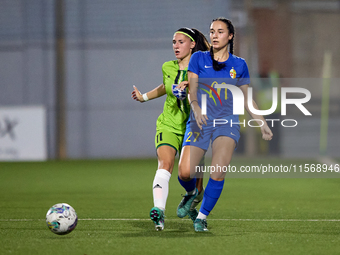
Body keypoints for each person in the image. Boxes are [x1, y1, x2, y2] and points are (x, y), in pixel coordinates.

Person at [176, 18, 273, 232]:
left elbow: (247, 99)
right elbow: (192, 91)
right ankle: (193, 193)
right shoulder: (198, 59)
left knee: (218, 170)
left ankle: (201, 217)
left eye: (220, 31)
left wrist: (262, 123)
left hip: (226, 122)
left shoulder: (239, 65)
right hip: (199, 120)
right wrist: (196, 108)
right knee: (184, 172)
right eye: (212, 31)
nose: (214, 35)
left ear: (230, 36)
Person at [131, 27, 210, 231]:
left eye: (180, 42)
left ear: (192, 44)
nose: (175, 46)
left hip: (194, 125)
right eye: (173, 42)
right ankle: (159, 212)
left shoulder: (203, 67)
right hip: (169, 123)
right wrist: (144, 97)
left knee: (187, 175)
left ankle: (193, 194)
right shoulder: (168, 66)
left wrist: (192, 86)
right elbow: (165, 86)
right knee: (165, 163)